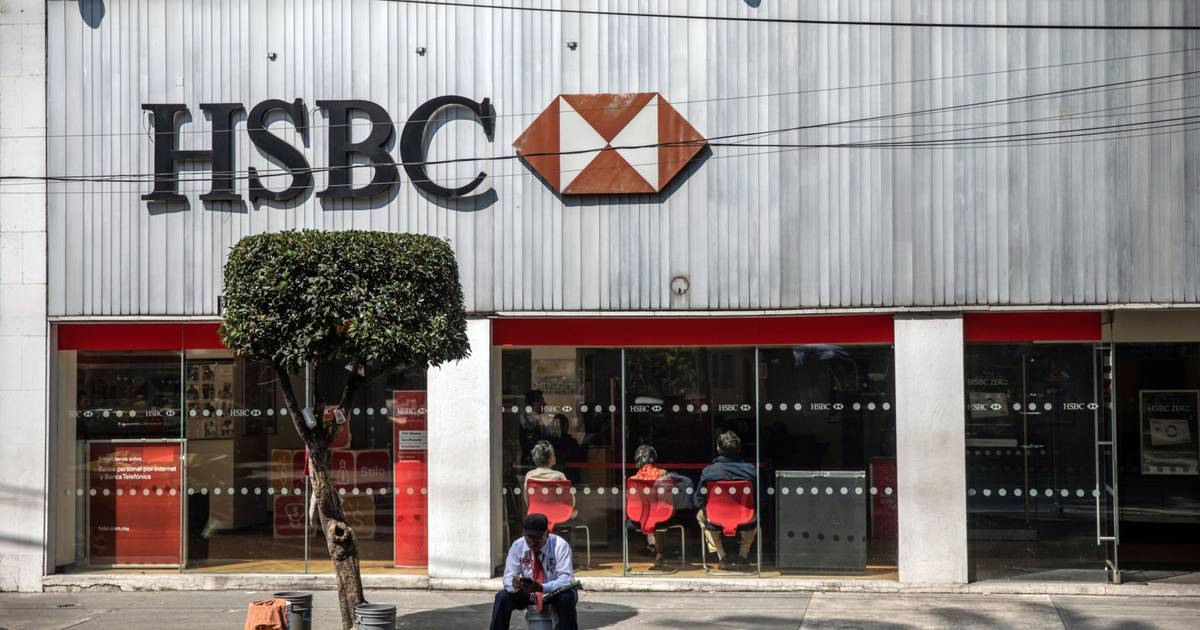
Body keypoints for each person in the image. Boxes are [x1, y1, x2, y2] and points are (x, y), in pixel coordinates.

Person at [491, 513, 578, 630]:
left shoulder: (560, 546)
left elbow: (566, 579)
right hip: (528, 593)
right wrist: (516, 585)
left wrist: (541, 587)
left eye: (537, 538)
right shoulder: (517, 546)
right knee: (502, 597)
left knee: (567, 597)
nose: (532, 542)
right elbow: (508, 577)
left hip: (554, 592)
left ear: (546, 533)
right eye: (528, 538)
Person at [695, 430, 757, 570]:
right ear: (739, 449)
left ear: (718, 449)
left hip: (716, 518)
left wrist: (709, 510)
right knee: (756, 514)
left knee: (700, 515)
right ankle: (743, 556)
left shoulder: (709, 471)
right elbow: (761, 499)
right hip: (745, 518)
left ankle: (722, 557)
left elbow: (698, 500)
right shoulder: (750, 470)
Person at [524, 440, 577, 519]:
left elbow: (527, 501)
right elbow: (571, 502)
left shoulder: (529, 476)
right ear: (550, 459)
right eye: (553, 454)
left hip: (536, 514)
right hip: (559, 516)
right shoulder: (559, 476)